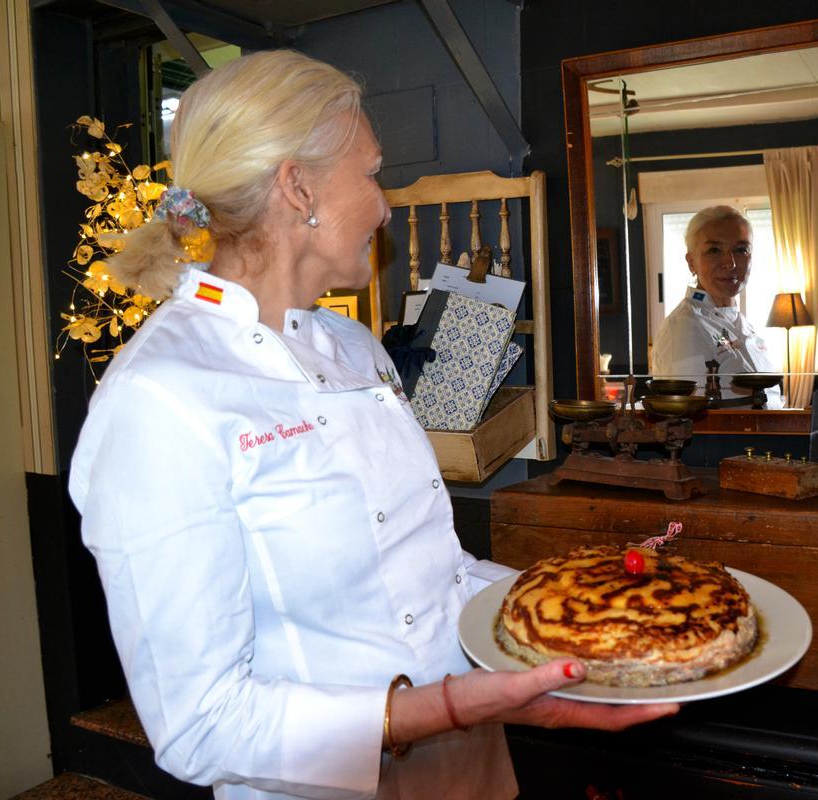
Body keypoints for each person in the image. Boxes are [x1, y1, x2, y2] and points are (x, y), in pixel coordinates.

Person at [69, 50, 677, 800]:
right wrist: (441, 707)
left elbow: (431, 575)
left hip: (468, 763)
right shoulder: (159, 399)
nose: (386, 205)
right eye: (372, 173)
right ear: (299, 188)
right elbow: (200, 726)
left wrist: (577, 615)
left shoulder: (355, 347)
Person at [650, 205, 780, 406]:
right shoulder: (684, 327)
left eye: (741, 249)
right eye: (714, 250)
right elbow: (694, 415)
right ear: (691, 262)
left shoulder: (743, 325)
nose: (731, 263)